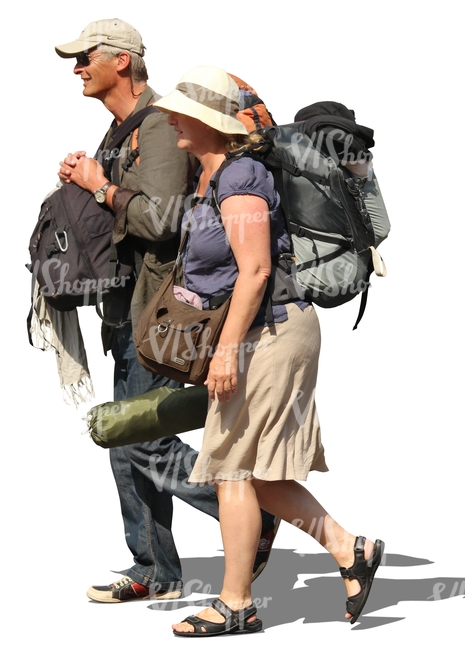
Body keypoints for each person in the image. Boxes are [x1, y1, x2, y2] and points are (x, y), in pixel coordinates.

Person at [151, 65, 385, 636]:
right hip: (260, 332)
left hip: (272, 332)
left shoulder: (242, 177)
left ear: (211, 121)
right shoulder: (213, 176)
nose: (172, 117)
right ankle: (349, 548)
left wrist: (226, 351)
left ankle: (236, 604)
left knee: (232, 467)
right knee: (249, 470)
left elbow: (255, 271)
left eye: (182, 111)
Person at [54, 19, 278, 604]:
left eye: (85, 58)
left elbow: (161, 219)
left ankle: (247, 513)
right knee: (125, 443)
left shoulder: (155, 127)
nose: (76, 68)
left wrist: (101, 188)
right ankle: (153, 567)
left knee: (143, 439)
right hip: (128, 308)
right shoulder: (121, 130)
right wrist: (84, 183)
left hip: (160, 315)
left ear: (121, 62)